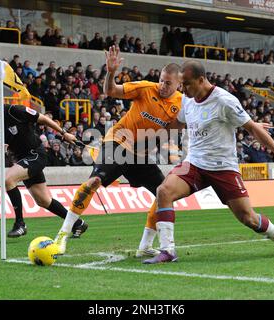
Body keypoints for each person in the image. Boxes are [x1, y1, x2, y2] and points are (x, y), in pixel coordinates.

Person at [143, 60, 274, 264]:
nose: (183, 89)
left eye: (187, 84)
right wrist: (152, 141)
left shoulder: (224, 100)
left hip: (223, 168)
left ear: (201, 79)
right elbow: (178, 123)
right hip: (195, 163)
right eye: (181, 84)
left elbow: (251, 127)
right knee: (164, 191)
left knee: (248, 218)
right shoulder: (187, 100)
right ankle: (167, 251)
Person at [53, 46, 183, 257]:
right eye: (161, 80)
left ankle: (145, 247)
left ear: (179, 84)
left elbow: (170, 131)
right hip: (118, 142)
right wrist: (111, 72)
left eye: (168, 83)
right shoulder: (145, 88)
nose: (162, 85)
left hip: (139, 155)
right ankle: (62, 236)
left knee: (164, 193)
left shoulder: (181, 104)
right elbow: (111, 91)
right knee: (93, 182)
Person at [0, 86, 89, 238]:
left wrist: (64, 134)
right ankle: (78, 223)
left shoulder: (15, 110)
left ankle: (20, 223)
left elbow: (44, 119)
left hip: (35, 154)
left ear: (1, 100)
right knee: (44, 201)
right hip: (21, 159)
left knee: (8, 179)